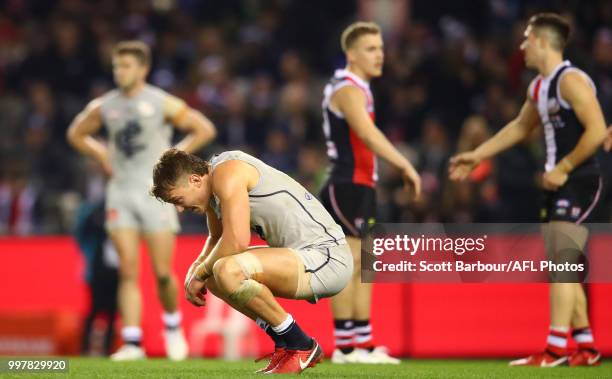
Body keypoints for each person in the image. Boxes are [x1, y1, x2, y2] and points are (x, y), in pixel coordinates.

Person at [449, 13, 607, 367]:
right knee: (561, 265)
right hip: (558, 183)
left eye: (526, 40)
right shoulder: (539, 86)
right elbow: (520, 127)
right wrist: (478, 154)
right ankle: (585, 345)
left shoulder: (571, 81)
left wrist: (564, 168)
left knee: (563, 264)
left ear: (542, 42)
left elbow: (597, 130)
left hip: (579, 180)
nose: (521, 47)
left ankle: (554, 349)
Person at [67, 40, 217, 361]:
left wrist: (174, 157)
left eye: (126, 66)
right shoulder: (106, 105)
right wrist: (100, 152)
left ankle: (173, 326)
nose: (119, 72)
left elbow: (203, 128)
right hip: (120, 193)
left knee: (163, 272)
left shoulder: (160, 102)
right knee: (127, 271)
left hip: (155, 195)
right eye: (116, 66)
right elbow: (76, 133)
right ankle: (132, 342)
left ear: (143, 69)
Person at [150, 149, 353, 374]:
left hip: (327, 256)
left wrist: (199, 273)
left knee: (227, 270)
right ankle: (286, 344)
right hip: (303, 257)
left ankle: (300, 344)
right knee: (214, 278)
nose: (179, 208)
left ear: (195, 180)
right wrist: (196, 270)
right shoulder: (214, 184)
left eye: (178, 200)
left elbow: (236, 241)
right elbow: (217, 238)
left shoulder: (227, 172)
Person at [318, 21, 421, 364]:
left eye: (380, 48)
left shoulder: (358, 87)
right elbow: (367, 134)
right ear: (351, 53)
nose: (380, 55)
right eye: (371, 49)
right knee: (349, 265)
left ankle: (361, 342)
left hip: (361, 184)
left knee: (365, 265)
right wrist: (404, 164)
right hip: (346, 184)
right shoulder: (346, 88)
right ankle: (347, 347)